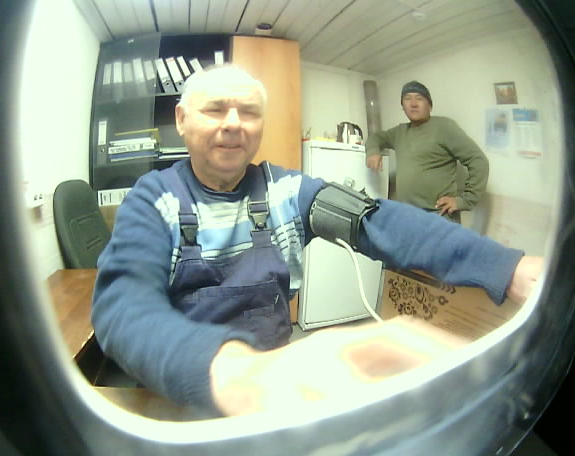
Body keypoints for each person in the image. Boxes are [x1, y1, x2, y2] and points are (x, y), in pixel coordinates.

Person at [92, 65, 541, 418]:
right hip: (182, 396)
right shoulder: (154, 200)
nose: (234, 124)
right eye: (215, 110)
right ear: (181, 119)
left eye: (249, 112)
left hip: (281, 397)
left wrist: (507, 267)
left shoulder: (287, 191)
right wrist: (239, 375)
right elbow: (121, 306)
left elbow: (379, 221)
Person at [365, 81, 489, 223]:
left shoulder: (444, 127)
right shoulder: (400, 132)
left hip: (439, 217)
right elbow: (376, 137)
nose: (413, 104)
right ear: (403, 107)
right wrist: (373, 151)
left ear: (429, 105)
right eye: (407, 98)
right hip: (409, 216)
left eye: (419, 98)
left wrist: (465, 201)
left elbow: (478, 161)